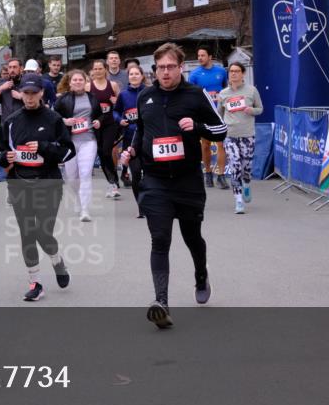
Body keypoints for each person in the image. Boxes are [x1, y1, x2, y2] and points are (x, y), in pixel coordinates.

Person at [120, 42, 227, 329]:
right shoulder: (145, 96)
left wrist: (198, 126)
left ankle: (201, 274)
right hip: (155, 181)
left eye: (170, 67)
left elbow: (221, 129)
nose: (164, 72)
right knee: (160, 239)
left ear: (181, 68)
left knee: (192, 237)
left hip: (188, 180)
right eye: (160, 68)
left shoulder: (195, 95)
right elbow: (141, 130)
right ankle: (161, 302)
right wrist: (131, 150)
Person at [0, 73, 75, 301]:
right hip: (20, 184)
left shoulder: (53, 119)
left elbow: (69, 151)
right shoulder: (11, 121)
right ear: (20, 93)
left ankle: (57, 259)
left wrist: (44, 147)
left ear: (41, 93)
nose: (29, 98)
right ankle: (35, 281)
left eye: (34, 93)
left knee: (43, 231)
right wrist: (4, 157)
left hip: (48, 183)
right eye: (26, 93)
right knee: (27, 233)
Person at [55, 69, 104, 222]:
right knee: (71, 177)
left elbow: (100, 113)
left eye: (80, 80)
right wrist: (65, 121)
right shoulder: (63, 99)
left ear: (85, 81)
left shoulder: (92, 97)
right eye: (74, 80)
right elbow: (53, 116)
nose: (77, 82)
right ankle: (78, 198)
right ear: (70, 83)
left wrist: (98, 121)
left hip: (89, 140)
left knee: (85, 174)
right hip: (70, 141)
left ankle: (85, 209)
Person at [217, 62, 263, 214]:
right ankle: (238, 201)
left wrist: (252, 110)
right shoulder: (223, 93)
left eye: (237, 71)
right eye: (231, 71)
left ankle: (247, 183)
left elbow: (260, 109)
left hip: (247, 135)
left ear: (243, 74)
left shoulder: (251, 91)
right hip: (230, 135)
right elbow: (219, 115)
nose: (234, 74)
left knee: (246, 168)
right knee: (235, 166)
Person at [188, 47, 229, 189]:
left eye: (202, 55)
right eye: (198, 55)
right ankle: (208, 173)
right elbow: (191, 95)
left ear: (210, 56)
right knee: (205, 145)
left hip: (219, 113)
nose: (200, 58)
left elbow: (225, 89)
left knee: (221, 144)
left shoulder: (221, 72)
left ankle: (221, 176)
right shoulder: (194, 75)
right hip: (203, 114)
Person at [115, 63, 147, 217]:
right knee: (135, 172)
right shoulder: (123, 95)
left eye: (136, 73)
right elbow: (115, 112)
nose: (134, 76)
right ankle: (141, 206)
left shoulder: (148, 92)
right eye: (131, 74)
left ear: (142, 76)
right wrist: (120, 120)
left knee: (149, 174)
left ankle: (152, 203)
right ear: (128, 77)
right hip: (130, 139)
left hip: (148, 139)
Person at [88, 59, 123, 199]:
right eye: (95, 69)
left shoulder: (113, 85)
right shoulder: (87, 86)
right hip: (95, 124)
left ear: (105, 70)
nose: (97, 71)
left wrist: (116, 103)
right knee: (101, 153)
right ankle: (112, 181)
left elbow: (121, 105)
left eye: (100, 69)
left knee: (107, 150)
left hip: (109, 123)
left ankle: (113, 182)